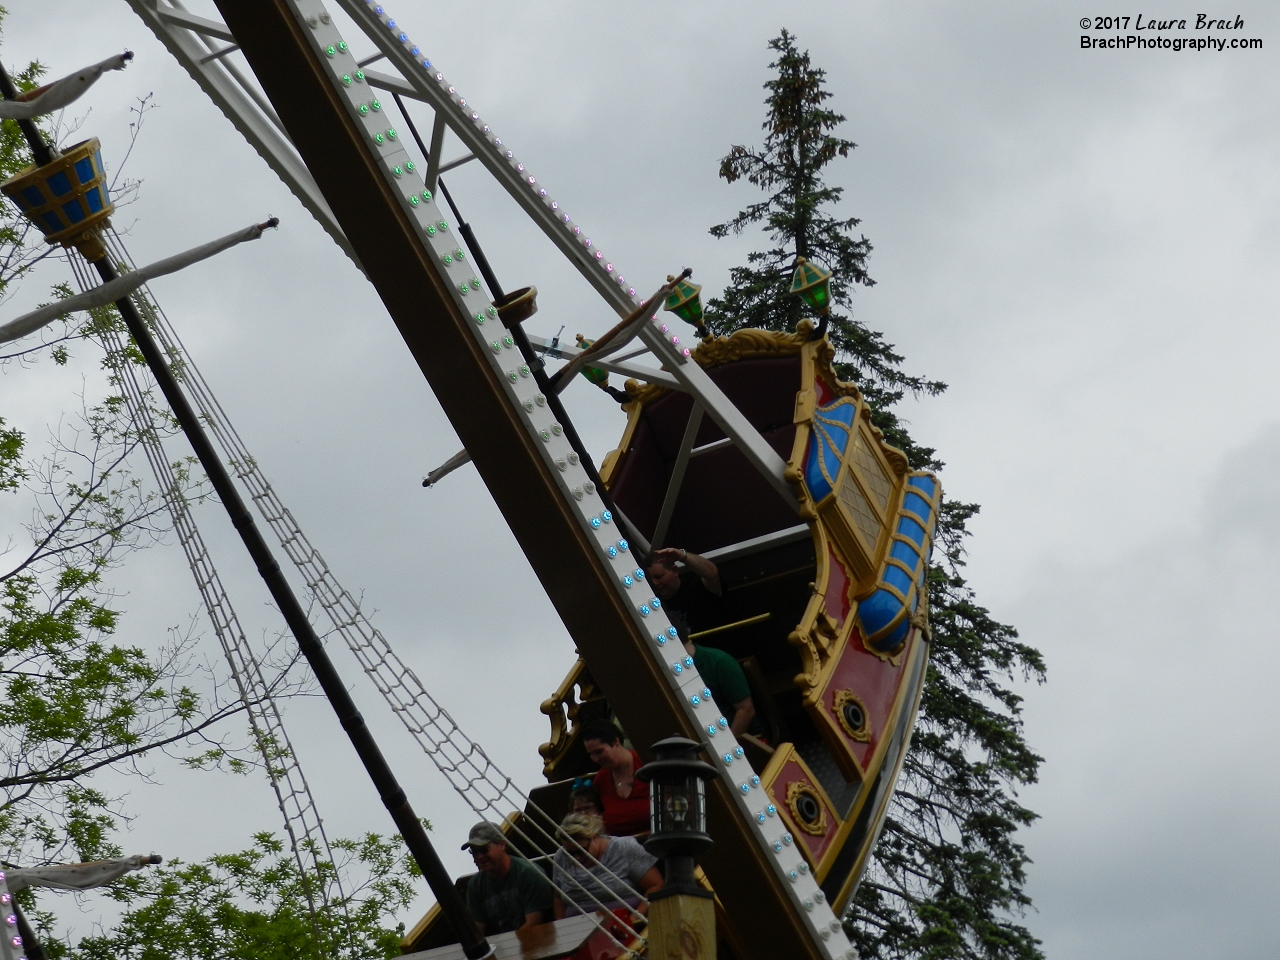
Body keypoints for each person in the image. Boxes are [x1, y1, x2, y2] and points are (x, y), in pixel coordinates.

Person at [551, 813, 663, 919]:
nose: (576, 858)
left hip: (627, 924)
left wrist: (633, 920)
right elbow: (558, 897)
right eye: (569, 853)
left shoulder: (624, 848)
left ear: (594, 837)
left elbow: (656, 885)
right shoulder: (560, 857)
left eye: (581, 851)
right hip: (577, 929)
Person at [672, 612, 757, 738]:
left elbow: (746, 710)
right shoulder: (669, 671)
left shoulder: (719, 661)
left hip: (741, 739)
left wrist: (728, 745)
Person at [461, 821, 553, 937]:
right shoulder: (475, 885)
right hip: (502, 948)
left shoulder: (529, 874)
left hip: (538, 942)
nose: (479, 856)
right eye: (474, 852)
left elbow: (534, 923)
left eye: (484, 849)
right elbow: (477, 931)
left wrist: (509, 948)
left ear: (502, 845)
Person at [579, 720, 649, 836]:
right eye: (591, 754)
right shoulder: (601, 780)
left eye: (599, 752)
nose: (595, 759)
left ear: (615, 741)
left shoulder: (646, 764)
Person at [645, 547, 722, 633]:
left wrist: (682, 556)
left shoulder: (695, 587)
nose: (655, 583)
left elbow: (712, 574)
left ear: (674, 571)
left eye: (658, 577)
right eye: (650, 581)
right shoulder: (653, 604)